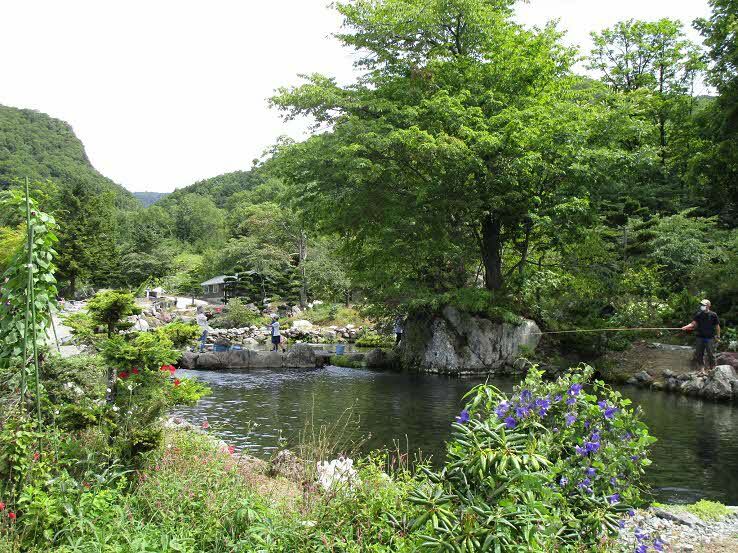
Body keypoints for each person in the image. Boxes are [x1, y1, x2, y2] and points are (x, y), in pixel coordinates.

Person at [681, 299, 721, 376]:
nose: (702, 306)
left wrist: (718, 336)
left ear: (708, 306)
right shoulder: (699, 314)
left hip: (710, 338)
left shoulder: (713, 315)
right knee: (699, 354)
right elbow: (693, 324)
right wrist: (685, 327)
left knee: (711, 354)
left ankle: (712, 369)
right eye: (701, 305)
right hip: (700, 337)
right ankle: (702, 370)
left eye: (704, 305)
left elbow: (717, 326)